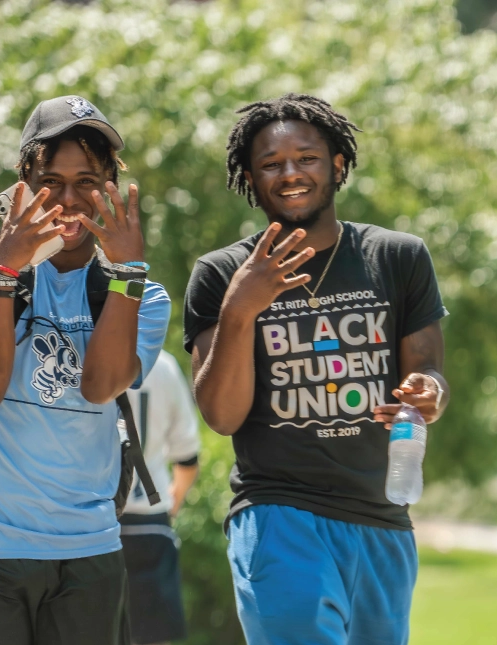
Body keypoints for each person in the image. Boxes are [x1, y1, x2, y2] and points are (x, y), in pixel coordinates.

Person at [183, 93, 449, 645]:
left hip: (381, 515)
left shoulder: (397, 257)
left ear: (338, 165)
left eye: (306, 157)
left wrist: (428, 393)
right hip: (278, 511)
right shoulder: (221, 273)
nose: (290, 173)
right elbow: (222, 415)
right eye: (271, 164)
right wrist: (240, 310)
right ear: (251, 180)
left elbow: (428, 376)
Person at [0, 95, 171, 645]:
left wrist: (128, 274)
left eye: (87, 180)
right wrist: (3, 273)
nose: (69, 200)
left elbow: (100, 386)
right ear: (23, 179)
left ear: (111, 183)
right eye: (51, 180)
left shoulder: (146, 295)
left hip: (88, 549)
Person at [119, 348, 200, 645]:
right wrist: (172, 505)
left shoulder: (78, 353)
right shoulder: (162, 365)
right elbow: (188, 459)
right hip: (150, 523)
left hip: (89, 520)